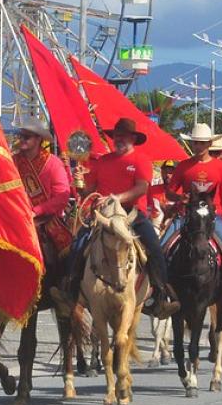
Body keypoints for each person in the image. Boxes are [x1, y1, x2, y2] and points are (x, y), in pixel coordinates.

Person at [74, 118, 180, 319]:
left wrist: (117, 198)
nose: (119, 139)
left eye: (123, 136)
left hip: (132, 214)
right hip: (103, 215)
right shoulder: (103, 161)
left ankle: (160, 296)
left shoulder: (141, 160)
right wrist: (79, 182)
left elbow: (142, 188)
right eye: (116, 136)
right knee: (77, 244)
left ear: (133, 138)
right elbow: (88, 190)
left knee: (156, 249)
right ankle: (70, 288)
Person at [163, 123, 222, 320]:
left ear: (209, 143)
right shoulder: (184, 166)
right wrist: (179, 199)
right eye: (195, 143)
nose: (198, 146)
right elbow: (170, 191)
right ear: (191, 143)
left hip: (213, 218)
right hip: (186, 216)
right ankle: (159, 296)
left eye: (202, 143)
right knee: (161, 248)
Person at [11, 116, 72, 258]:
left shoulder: (53, 163)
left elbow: (62, 197)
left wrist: (35, 211)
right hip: (18, 219)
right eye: (20, 136)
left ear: (38, 139)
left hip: (46, 222)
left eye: (26, 137)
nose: (22, 139)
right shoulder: (13, 161)